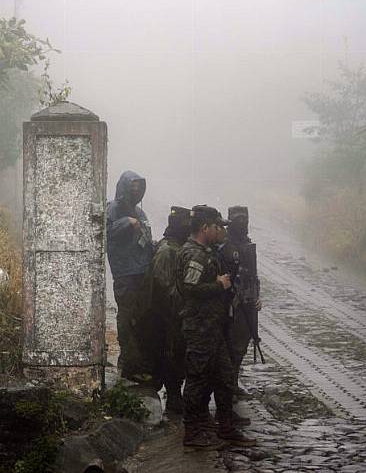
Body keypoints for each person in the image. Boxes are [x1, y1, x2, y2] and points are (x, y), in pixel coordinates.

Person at [177, 205, 256, 450]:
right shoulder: (194, 254)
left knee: (224, 378)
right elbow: (189, 290)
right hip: (200, 329)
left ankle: (226, 427)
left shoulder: (206, 251)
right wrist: (218, 286)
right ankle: (192, 432)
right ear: (205, 227)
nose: (220, 230)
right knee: (197, 380)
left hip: (214, 328)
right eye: (217, 226)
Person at [106, 171, 154, 381]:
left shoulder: (140, 212)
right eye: (132, 187)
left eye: (139, 187)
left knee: (141, 318)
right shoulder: (113, 210)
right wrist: (127, 222)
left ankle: (139, 363)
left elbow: (147, 239)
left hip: (142, 272)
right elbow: (105, 232)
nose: (135, 191)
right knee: (126, 318)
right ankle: (129, 365)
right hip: (125, 274)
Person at [144, 206, 190, 413]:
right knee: (171, 357)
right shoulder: (168, 251)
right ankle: (172, 396)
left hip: (172, 316)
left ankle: (174, 395)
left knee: (176, 357)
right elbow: (164, 287)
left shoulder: (175, 248)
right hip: (167, 318)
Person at [220, 206, 262, 400]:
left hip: (248, 300)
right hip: (233, 304)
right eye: (238, 220)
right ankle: (227, 388)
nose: (243, 223)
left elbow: (253, 275)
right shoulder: (224, 245)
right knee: (231, 347)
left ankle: (232, 384)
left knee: (241, 345)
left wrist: (256, 296)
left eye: (245, 219)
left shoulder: (247, 243)